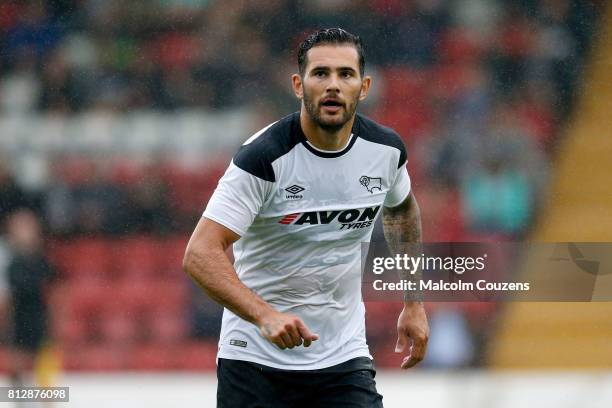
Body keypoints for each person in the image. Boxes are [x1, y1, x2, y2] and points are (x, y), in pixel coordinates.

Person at [183, 28, 429, 407]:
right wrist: (265, 316)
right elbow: (200, 253)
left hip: (343, 358)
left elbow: (402, 210)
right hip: (255, 361)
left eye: (345, 74)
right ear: (299, 85)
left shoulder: (386, 151)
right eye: (321, 73)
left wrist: (413, 302)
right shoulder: (263, 158)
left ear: (363, 88)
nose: (333, 85)